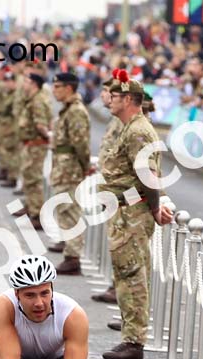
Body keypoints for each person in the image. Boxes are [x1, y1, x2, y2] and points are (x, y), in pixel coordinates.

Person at [100, 70, 173, 359]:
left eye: (114, 96)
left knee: (133, 274)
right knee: (125, 272)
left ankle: (134, 341)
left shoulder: (138, 130)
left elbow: (148, 174)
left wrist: (155, 208)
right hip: (124, 209)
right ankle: (130, 334)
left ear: (128, 99)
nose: (109, 101)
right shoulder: (130, 127)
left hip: (134, 211)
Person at [46, 72, 91, 275]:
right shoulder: (68, 110)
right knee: (64, 208)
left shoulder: (76, 111)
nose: (54, 91)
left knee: (70, 211)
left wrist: (84, 165)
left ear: (69, 88)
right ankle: (69, 249)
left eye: (58, 87)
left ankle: (73, 257)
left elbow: (80, 143)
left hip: (70, 167)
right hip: (63, 166)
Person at [92, 71, 124, 306]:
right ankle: (116, 286)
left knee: (125, 249)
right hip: (114, 190)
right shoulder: (116, 120)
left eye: (110, 93)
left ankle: (120, 290)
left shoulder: (131, 125)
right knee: (116, 244)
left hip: (125, 195)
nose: (106, 97)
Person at [14, 73, 52, 230]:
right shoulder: (32, 99)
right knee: (28, 176)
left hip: (36, 144)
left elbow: (41, 125)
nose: (24, 84)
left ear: (35, 84)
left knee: (34, 179)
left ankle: (37, 214)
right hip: (30, 143)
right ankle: (31, 208)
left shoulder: (37, 101)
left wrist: (48, 137)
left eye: (27, 82)